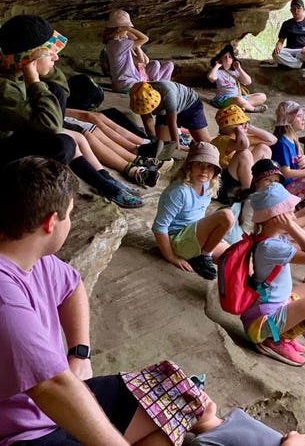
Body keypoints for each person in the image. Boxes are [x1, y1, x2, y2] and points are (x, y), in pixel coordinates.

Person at [0, 156, 205, 444]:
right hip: (24, 433)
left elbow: (72, 287)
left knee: (179, 392)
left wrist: (79, 353)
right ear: (50, 223)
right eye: (69, 214)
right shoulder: (4, 296)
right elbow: (51, 386)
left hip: (56, 402)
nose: (70, 221)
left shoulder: (33, 257)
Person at [0, 14, 143, 209]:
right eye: (49, 53)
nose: (56, 57)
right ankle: (33, 192)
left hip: (24, 128)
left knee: (57, 94)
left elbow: (62, 92)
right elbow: (49, 126)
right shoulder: (4, 88)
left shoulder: (16, 72)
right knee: (63, 144)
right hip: (4, 152)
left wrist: (44, 71)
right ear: (30, 59)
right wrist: (34, 81)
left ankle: (106, 183)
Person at [242, 183, 305, 366]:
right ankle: (275, 339)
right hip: (264, 322)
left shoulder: (271, 237)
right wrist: (293, 228)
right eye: (289, 211)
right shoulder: (270, 247)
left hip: (274, 304)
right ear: (278, 218)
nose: (294, 213)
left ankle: (282, 333)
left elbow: (288, 228)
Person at [152, 142, 234, 280]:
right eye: (199, 165)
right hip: (178, 240)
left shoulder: (208, 185)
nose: (204, 170)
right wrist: (171, 257)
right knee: (226, 215)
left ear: (215, 172)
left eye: (209, 167)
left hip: (195, 237)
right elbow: (159, 228)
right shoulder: (179, 192)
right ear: (189, 166)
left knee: (235, 257)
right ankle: (204, 256)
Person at [191, 391, 305, 446]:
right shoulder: (203, 441)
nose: (195, 395)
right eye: (184, 400)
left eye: (194, 387)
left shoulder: (236, 414)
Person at [211, 104, 276, 204]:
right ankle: (250, 194)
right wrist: (237, 130)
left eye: (244, 123)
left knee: (264, 149)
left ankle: (261, 185)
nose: (242, 126)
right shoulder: (221, 139)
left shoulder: (242, 137)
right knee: (244, 153)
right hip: (224, 185)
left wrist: (249, 128)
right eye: (239, 123)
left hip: (238, 178)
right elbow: (243, 145)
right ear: (225, 128)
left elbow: (272, 140)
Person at [102, 9, 174, 93]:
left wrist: (126, 30)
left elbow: (141, 60)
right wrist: (129, 28)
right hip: (127, 84)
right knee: (158, 76)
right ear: (119, 29)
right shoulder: (119, 44)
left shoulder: (112, 44)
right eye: (126, 30)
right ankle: (159, 89)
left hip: (122, 84)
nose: (127, 34)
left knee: (162, 66)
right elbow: (145, 38)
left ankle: (161, 88)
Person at [129, 80, 212, 151]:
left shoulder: (167, 92)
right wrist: (154, 142)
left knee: (205, 144)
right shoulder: (139, 98)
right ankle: (181, 138)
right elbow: (148, 121)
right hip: (164, 112)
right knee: (163, 145)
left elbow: (172, 122)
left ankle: (182, 139)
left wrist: (176, 145)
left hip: (189, 105)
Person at [207, 44, 268, 113]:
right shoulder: (218, 71)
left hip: (238, 97)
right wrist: (217, 65)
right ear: (221, 59)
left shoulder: (235, 71)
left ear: (233, 59)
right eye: (225, 57)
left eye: (230, 57)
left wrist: (239, 69)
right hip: (224, 99)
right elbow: (211, 78)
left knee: (262, 96)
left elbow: (248, 81)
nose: (227, 59)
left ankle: (242, 106)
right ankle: (253, 109)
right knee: (238, 100)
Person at [271, 0, 305, 69]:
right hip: (289, 51)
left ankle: (289, 63)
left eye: (298, 8)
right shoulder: (286, 24)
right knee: (275, 54)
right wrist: (278, 45)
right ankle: (300, 65)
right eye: (293, 9)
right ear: (291, 10)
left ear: (303, 9)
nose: (296, 11)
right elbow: (281, 40)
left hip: (303, 51)